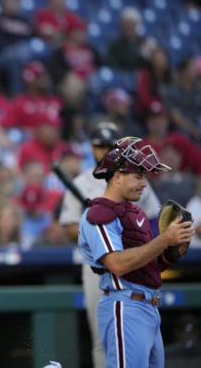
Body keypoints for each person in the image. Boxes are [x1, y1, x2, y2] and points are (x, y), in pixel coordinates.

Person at [77, 136, 193, 368]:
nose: (144, 184)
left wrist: (168, 254)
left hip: (149, 306)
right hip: (124, 305)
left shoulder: (136, 213)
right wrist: (164, 240)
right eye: (138, 176)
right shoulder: (99, 214)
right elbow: (118, 265)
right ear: (118, 176)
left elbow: (147, 264)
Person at [59, 122, 161, 368]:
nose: (104, 149)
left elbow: (153, 219)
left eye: (109, 145)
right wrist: (96, 225)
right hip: (101, 267)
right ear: (92, 149)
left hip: (137, 263)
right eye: (99, 145)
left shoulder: (133, 179)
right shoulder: (82, 183)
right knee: (102, 339)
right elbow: (69, 228)